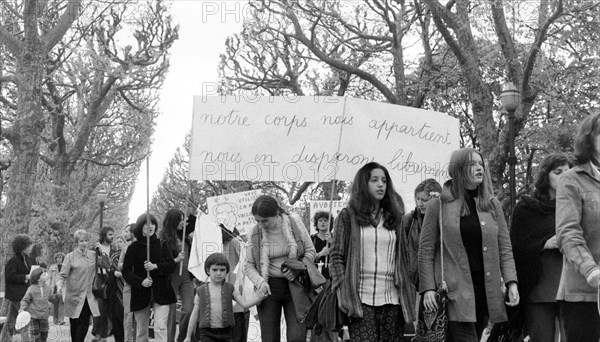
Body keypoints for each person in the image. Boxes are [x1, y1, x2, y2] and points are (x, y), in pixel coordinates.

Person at [418, 148, 519, 341]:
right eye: (472, 164)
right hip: (453, 293)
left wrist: (511, 282)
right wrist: (428, 288)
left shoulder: (492, 204)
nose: (479, 168)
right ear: (458, 169)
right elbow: (425, 250)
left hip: (485, 291)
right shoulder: (438, 205)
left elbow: (505, 248)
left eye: (481, 164)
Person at [328, 162, 415, 341]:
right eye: (374, 180)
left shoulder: (395, 218)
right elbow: (336, 257)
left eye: (384, 180)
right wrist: (343, 289)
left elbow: (404, 256)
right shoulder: (347, 216)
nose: (381, 184)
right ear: (363, 184)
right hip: (360, 300)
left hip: (393, 300)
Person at [510, 153, 571, 341]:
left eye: (568, 173)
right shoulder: (527, 208)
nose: (564, 177)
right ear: (546, 175)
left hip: (573, 287)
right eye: (558, 172)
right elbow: (515, 248)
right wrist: (545, 243)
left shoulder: (577, 206)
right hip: (539, 288)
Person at [244, 194, 317, 342]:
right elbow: (249, 265)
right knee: (269, 338)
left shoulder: (294, 223)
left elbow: (311, 251)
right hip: (268, 287)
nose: (261, 224)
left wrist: (297, 268)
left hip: (296, 286)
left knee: (297, 336)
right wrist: (260, 282)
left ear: (276, 214)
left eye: (265, 220)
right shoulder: (254, 232)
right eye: (257, 220)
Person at [555, 113, 600, 341]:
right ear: (589, 140)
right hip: (585, 294)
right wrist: (590, 269)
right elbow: (568, 233)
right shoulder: (572, 179)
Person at [183, 253, 265, 342]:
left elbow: (245, 303)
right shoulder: (200, 291)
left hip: (227, 333)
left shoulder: (230, 288)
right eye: (214, 270)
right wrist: (188, 336)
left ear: (227, 271)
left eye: (222, 270)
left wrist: (259, 297)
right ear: (208, 270)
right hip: (207, 334)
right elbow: (194, 315)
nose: (219, 273)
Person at [123, 213, 177, 342]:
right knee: (142, 332)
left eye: (152, 223)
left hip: (162, 292)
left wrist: (155, 266)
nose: (150, 226)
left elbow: (171, 266)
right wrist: (140, 281)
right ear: (140, 227)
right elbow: (126, 271)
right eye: (146, 224)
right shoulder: (133, 248)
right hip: (140, 293)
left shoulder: (162, 244)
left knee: (160, 328)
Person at [56, 229, 107, 342]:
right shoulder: (70, 257)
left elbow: (107, 264)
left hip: (88, 297)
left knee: (83, 325)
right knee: (74, 326)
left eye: (86, 241)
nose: (84, 243)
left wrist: (102, 252)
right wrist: (59, 287)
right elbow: (62, 276)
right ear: (76, 243)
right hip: (74, 297)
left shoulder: (93, 255)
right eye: (81, 241)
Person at [160, 209, 194, 342]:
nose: (183, 222)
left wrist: (188, 219)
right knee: (170, 314)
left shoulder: (186, 237)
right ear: (173, 221)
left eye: (184, 219)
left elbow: (195, 222)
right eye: (180, 219)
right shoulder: (163, 238)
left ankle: (182, 338)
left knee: (189, 310)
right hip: (171, 278)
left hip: (187, 277)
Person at [403, 178, 442, 287]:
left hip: (438, 282)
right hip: (413, 283)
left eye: (424, 200)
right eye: (417, 199)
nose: (419, 204)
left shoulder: (446, 221)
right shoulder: (408, 221)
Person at [0, 234, 36, 342]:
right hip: (16, 295)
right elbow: (9, 277)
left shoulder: (29, 259)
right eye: (28, 245)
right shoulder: (12, 261)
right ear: (22, 246)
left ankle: (4, 339)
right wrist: (25, 277)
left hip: (25, 293)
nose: (31, 247)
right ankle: (26, 339)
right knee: (25, 317)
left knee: (11, 317)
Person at [92, 227, 119, 342]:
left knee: (106, 309)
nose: (112, 237)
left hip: (110, 279)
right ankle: (98, 333)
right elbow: (96, 263)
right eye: (109, 234)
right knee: (99, 308)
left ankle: (103, 334)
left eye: (113, 234)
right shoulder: (96, 249)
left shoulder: (114, 249)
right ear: (104, 236)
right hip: (99, 279)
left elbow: (109, 264)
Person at [19, 267, 51, 342]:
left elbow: (51, 297)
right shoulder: (31, 289)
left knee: (44, 335)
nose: (46, 275)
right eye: (44, 274)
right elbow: (25, 300)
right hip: (33, 317)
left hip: (44, 316)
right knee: (34, 336)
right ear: (38, 278)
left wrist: (57, 297)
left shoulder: (48, 288)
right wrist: (22, 308)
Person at [118, 224, 136, 342]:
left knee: (140, 316)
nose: (125, 234)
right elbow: (120, 265)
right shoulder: (125, 246)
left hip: (141, 285)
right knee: (128, 314)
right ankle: (128, 339)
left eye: (127, 231)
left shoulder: (142, 245)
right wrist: (127, 267)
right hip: (128, 284)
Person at [311, 211, 333, 279]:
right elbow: (307, 259)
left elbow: (341, 254)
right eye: (320, 220)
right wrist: (320, 254)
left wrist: (331, 242)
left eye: (325, 220)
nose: (323, 222)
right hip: (316, 277)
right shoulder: (312, 239)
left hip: (332, 276)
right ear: (316, 223)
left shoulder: (335, 238)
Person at [48, 252, 66, 325]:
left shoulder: (65, 267)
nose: (59, 259)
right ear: (55, 259)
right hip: (54, 287)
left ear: (63, 258)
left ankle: (61, 320)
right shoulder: (52, 267)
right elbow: (49, 278)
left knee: (62, 302)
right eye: (57, 258)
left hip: (63, 287)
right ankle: (55, 320)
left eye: (60, 258)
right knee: (55, 303)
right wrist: (48, 287)